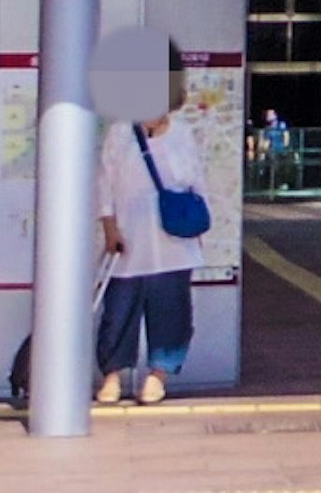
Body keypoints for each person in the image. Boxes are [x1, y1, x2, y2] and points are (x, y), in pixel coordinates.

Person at [94, 72, 212, 405]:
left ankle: (158, 376)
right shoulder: (120, 133)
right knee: (118, 310)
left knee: (172, 310)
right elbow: (105, 185)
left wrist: (197, 228)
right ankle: (113, 375)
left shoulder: (183, 135)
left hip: (173, 241)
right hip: (129, 239)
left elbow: (196, 184)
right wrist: (110, 229)